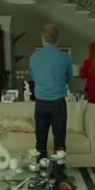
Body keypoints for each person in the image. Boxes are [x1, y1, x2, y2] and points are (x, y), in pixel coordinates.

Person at [29, 24, 73, 159]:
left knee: (40, 142)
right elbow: (69, 79)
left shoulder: (33, 58)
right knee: (59, 143)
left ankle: (41, 168)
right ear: (57, 40)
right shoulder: (65, 57)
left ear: (42, 39)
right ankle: (58, 171)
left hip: (40, 104)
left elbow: (33, 78)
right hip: (58, 103)